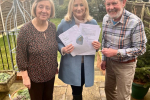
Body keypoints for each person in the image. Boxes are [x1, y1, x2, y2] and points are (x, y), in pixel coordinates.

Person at [101, 0, 147, 100]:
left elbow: (141, 48)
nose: (111, 7)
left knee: (123, 96)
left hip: (126, 65)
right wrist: (104, 59)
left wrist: (116, 52)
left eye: (114, 3)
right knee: (109, 90)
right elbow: (104, 40)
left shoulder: (135, 22)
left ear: (123, 3)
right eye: (108, 4)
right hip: (110, 63)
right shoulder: (106, 18)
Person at [56, 0, 101, 100]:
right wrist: (63, 49)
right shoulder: (64, 23)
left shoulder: (92, 23)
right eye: (75, 5)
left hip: (86, 64)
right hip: (72, 64)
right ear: (71, 7)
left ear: (86, 7)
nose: (79, 8)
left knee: (82, 84)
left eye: (81, 5)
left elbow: (95, 42)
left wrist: (97, 46)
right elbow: (57, 41)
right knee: (76, 89)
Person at [16, 0, 58, 100]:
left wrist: (55, 65)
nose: (44, 10)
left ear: (51, 11)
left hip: (50, 74)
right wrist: (25, 77)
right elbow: (21, 55)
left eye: (48, 8)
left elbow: (52, 49)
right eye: (41, 7)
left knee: (48, 98)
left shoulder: (52, 27)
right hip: (34, 77)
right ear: (35, 8)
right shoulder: (25, 30)